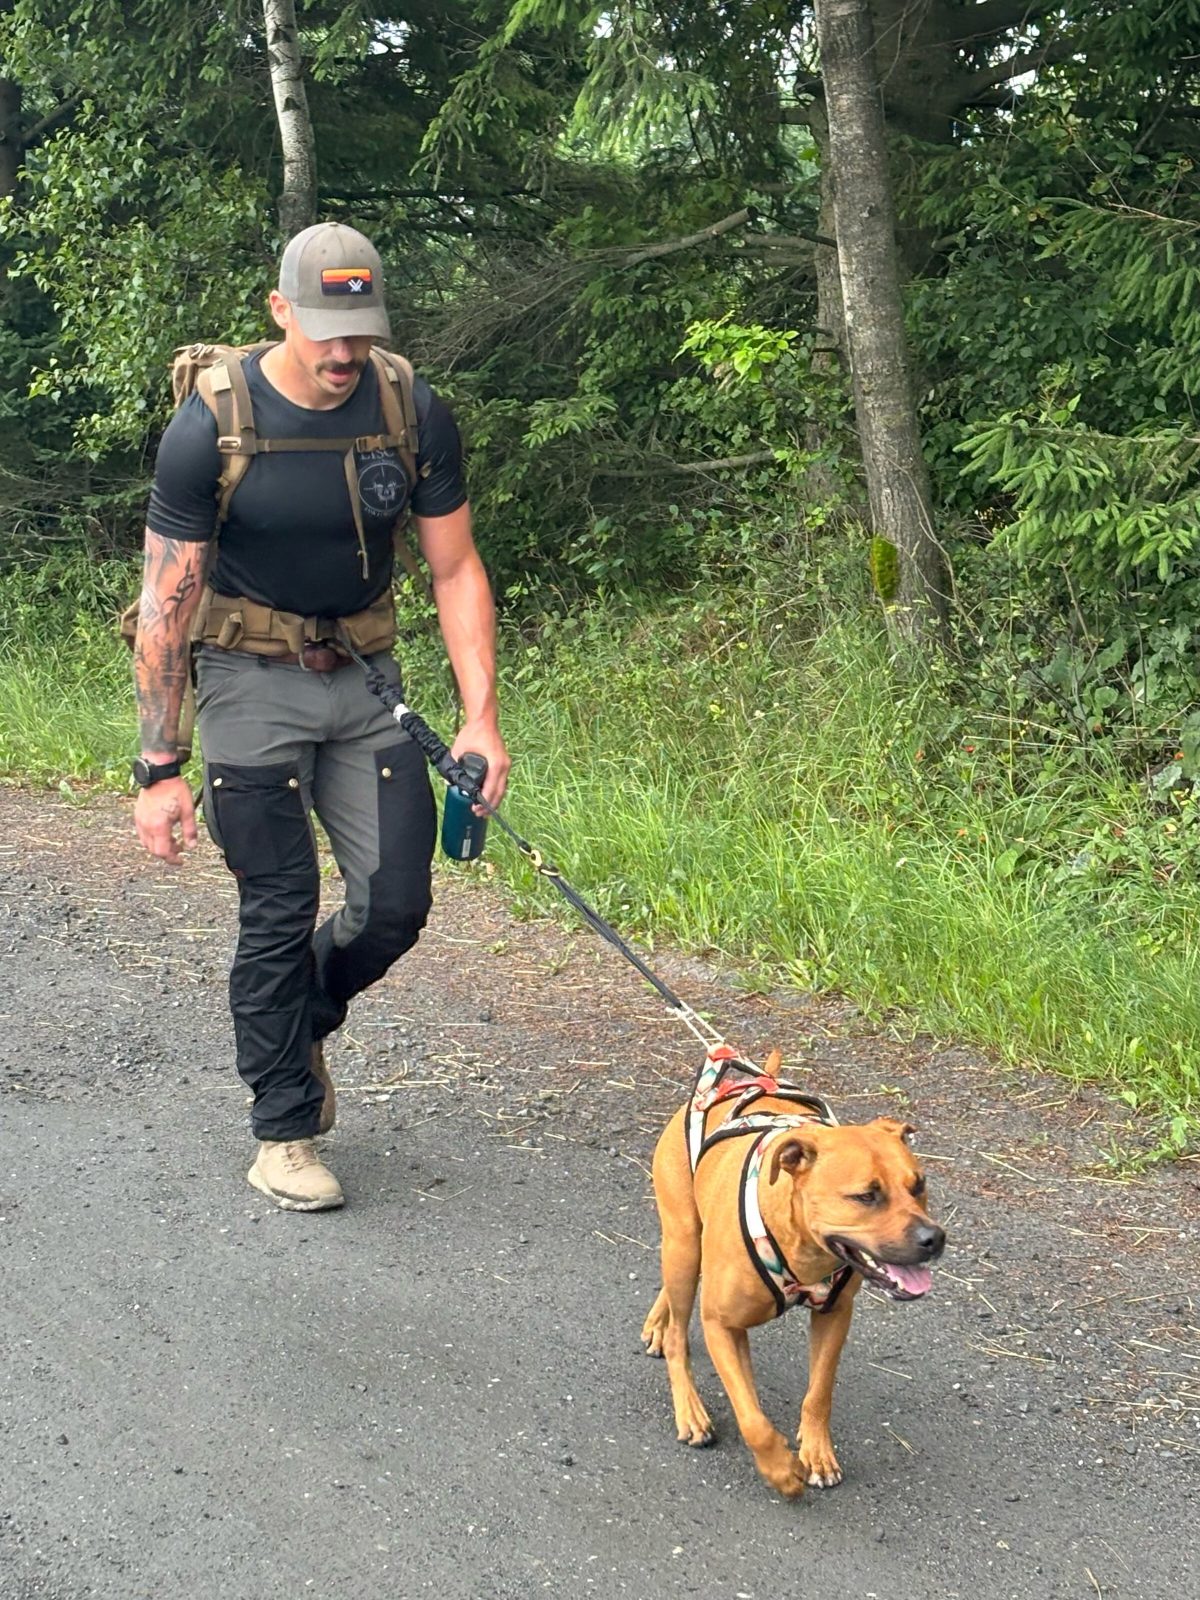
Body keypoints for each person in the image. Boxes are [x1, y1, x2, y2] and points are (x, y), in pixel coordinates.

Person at [130, 221, 509, 1212]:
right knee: (279, 904)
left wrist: (481, 719)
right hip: (248, 682)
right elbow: (169, 597)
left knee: (395, 901)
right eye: (325, 330)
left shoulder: (407, 407)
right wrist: (158, 764)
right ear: (281, 312)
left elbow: (456, 566)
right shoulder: (211, 423)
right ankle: (284, 1129)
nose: (344, 353)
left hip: (363, 673)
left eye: (362, 330)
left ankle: (301, 1020)